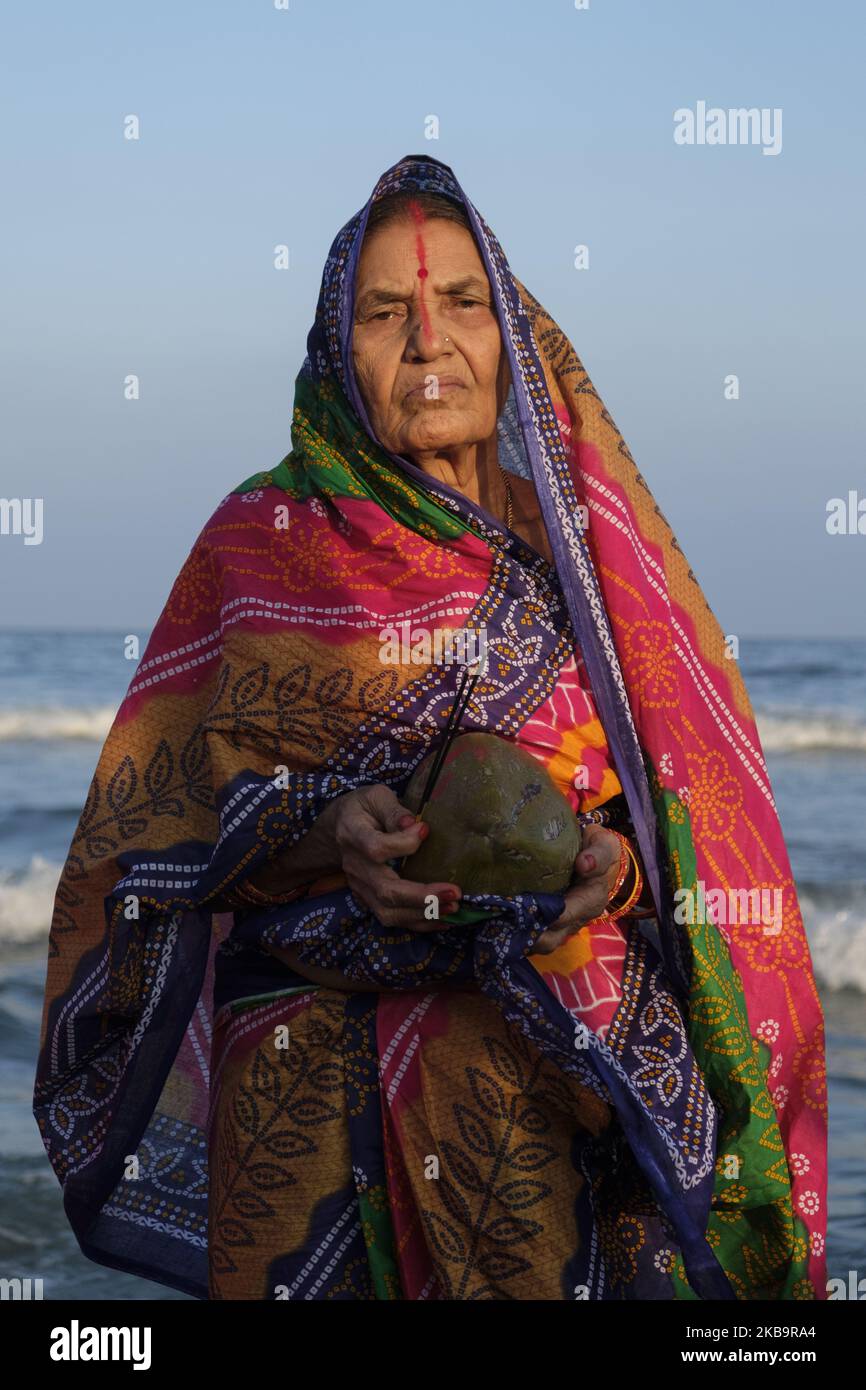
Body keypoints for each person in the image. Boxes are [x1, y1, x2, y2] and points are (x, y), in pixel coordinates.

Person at [33, 154, 827, 1302]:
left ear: (508, 328)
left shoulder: (587, 563)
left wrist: (602, 865)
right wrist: (324, 834)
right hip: (303, 1086)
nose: (428, 341)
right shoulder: (256, 542)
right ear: (333, 344)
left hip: (539, 1073)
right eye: (384, 311)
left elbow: (670, 814)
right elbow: (147, 836)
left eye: (462, 302)